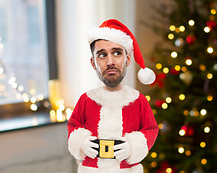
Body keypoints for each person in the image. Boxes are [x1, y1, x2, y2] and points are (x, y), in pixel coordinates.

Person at [67, 19, 159, 173]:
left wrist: (133, 146)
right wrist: (81, 142)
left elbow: (151, 129)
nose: (110, 62)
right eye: (102, 55)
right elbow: (73, 126)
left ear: (128, 59)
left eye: (117, 53)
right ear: (93, 63)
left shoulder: (138, 101)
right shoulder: (86, 100)